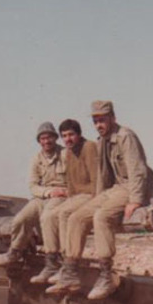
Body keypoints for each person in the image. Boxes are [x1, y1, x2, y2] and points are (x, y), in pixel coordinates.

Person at [47, 100, 153, 300]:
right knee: (76, 217)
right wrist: (99, 198)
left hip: (132, 187)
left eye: (102, 120)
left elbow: (138, 169)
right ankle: (70, 272)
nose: (99, 125)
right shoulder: (102, 140)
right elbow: (103, 175)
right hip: (115, 188)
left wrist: (136, 200)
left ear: (113, 118)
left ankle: (106, 275)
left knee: (102, 217)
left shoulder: (125, 136)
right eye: (95, 121)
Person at [29, 119, 98, 284]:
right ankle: (52, 262)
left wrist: (97, 200)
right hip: (75, 195)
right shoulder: (69, 152)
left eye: (71, 135)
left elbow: (97, 179)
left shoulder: (89, 147)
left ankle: (68, 265)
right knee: (49, 216)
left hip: (90, 194)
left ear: (79, 134)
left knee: (64, 213)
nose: (68, 139)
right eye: (64, 136)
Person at [0, 122, 67, 265]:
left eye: (49, 137)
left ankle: (53, 257)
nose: (46, 141)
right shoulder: (36, 159)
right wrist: (47, 192)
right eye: (43, 138)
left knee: (47, 218)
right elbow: (33, 186)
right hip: (42, 196)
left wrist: (63, 192)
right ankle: (15, 251)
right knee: (21, 219)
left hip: (61, 195)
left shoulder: (66, 154)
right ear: (39, 141)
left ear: (55, 138)